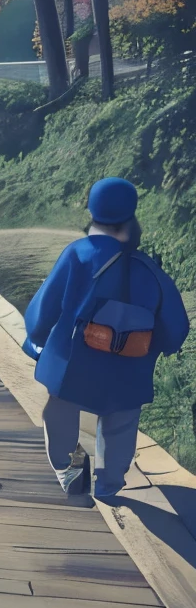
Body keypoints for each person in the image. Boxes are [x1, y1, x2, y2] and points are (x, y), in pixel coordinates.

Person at [23, 177, 189, 498]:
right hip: (129, 372)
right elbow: (175, 327)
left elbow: (45, 307)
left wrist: (37, 337)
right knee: (120, 427)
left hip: (72, 365)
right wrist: (163, 346)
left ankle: (69, 472)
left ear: (92, 212)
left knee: (60, 413)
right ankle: (109, 486)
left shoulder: (78, 255)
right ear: (132, 217)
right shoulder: (151, 271)